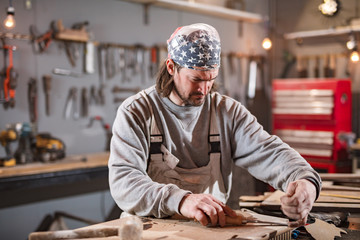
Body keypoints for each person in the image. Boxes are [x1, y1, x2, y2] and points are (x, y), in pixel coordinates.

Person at [108, 23, 321, 227]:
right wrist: (181, 201)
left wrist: (305, 180)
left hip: (209, 231)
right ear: (171, 67)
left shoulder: (227, 112)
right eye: (196, 79)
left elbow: (269, 150)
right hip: (147, 232)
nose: (204, 89)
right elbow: (124, 182)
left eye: (211, 79)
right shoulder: (136, 112)